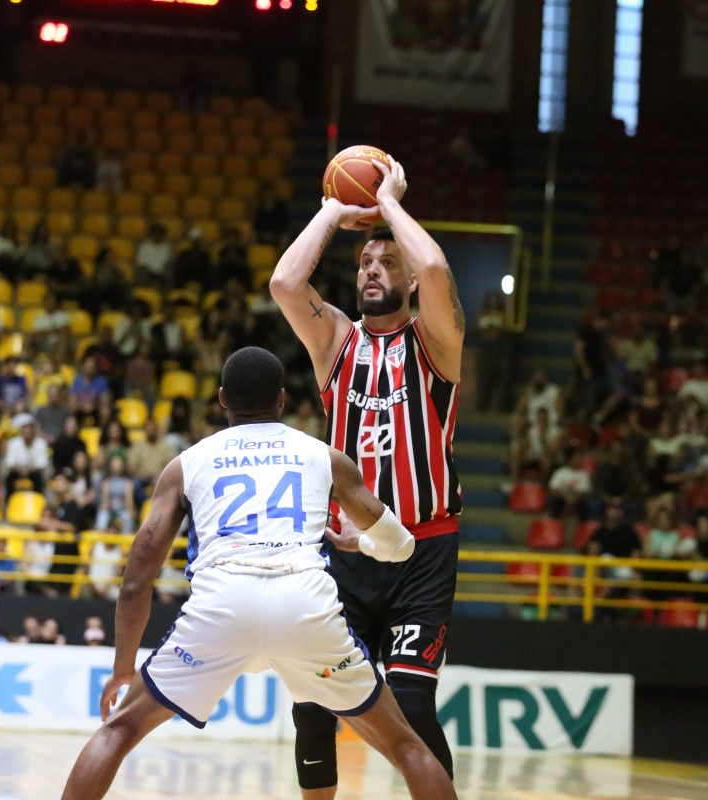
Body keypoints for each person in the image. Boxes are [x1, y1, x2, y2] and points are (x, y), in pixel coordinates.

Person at [60, 347, 454, 800]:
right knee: (407, 748)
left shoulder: (186, 464)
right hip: (303, 605)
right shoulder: (324, 457)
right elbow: (401, 545)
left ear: (222, 399)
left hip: (222, 604)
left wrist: (121, 670)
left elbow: (135, 584)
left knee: (119, 730)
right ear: (282, 399)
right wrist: (360, 543)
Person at [270, 156, 465, 796]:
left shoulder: (437, 342)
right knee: (312, 706)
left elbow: (435, 269)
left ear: (407, 280)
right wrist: (333, 208)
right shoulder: (335, 341)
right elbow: (284, 283)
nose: (372, 270)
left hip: (422, 550)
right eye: (364, 263)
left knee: (410, 706)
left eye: (386, 263)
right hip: (345, 553)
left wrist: (391, 205)